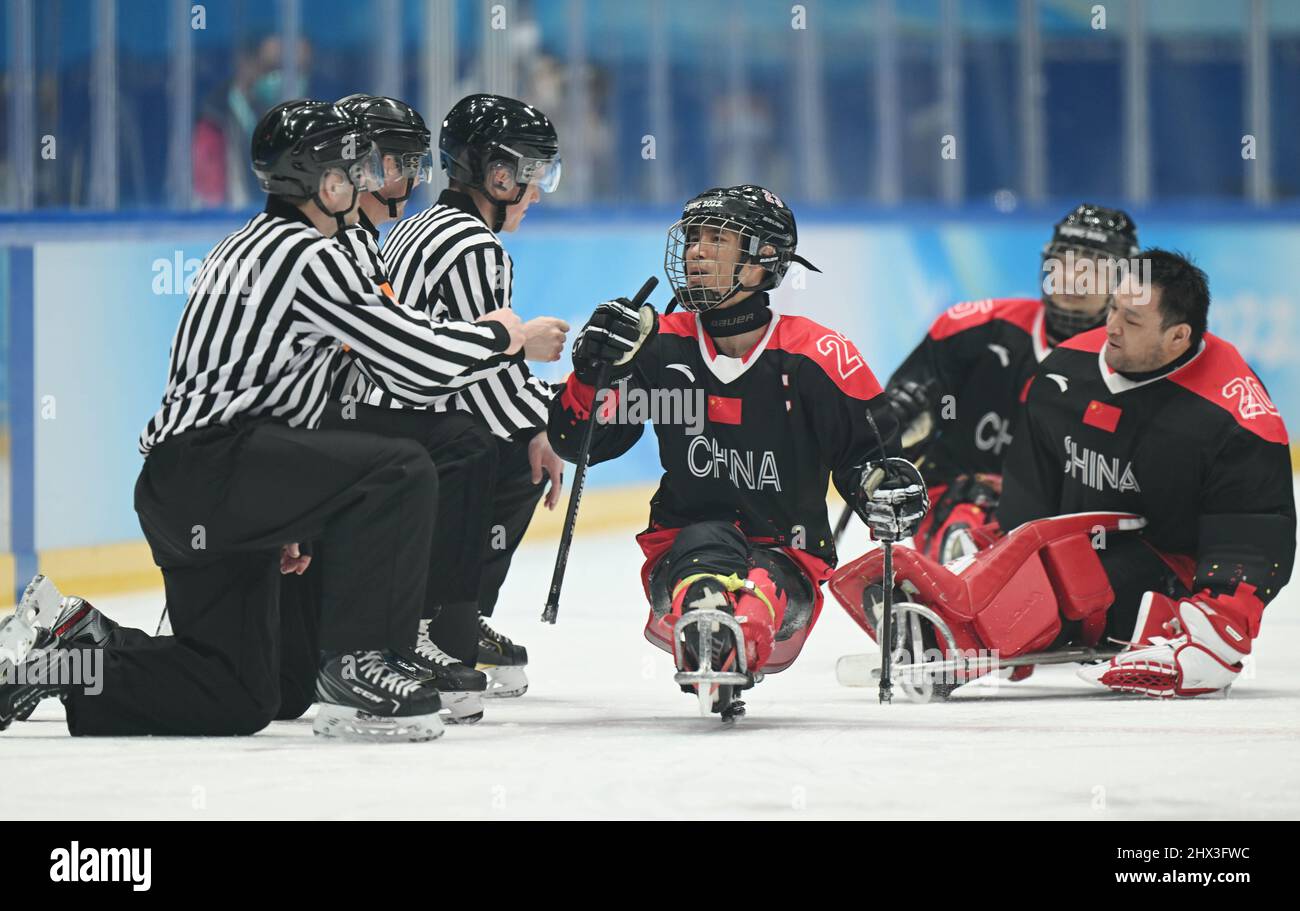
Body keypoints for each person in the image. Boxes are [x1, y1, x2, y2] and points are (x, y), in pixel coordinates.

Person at [0, 100, 526, 740]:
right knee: (403, 467)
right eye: (352, 169)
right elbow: (410, 362)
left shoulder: (241, 245)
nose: (365, 182)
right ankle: (364, 662)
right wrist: (502, 338)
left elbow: (260, 389)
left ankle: (75, 656)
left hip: (186, 488)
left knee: (251, 692)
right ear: (325, 182)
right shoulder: (312, 256)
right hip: (218, 472)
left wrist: (284, 506)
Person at [833, 250, 1294, 699]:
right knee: (1027, 569)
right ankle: (957, 619)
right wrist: (1000, 560)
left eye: (1132, 321)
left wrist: (1215, 630)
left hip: (1176, 564)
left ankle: (955, 638)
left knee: (1068, 586)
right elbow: (1029, 499)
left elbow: (1252, 528)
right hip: (1083, 540)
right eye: (1113, 308)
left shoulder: (1236, 416)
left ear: (1177, 337)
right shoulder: (1065, 370)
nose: (1111, 327)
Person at [546, 185, 928, 721]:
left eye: (717, 239)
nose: (696, 252)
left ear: (764, 258)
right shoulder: (657, 344)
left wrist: (885, 491)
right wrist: (591, 373)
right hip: (680, 546)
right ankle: (713, 615)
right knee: (706, 546)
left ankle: (729, 624)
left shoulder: (815, 354)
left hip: (789, 555)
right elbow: (580, 442)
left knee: (762, 576)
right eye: (693, 239)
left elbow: (868, 458)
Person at [365, 93, 571, 699]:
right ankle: (438, 623)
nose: (536, 195)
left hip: (382, 419)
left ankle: (451, 617)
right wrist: (549, 427)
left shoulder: (417, 227)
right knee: (505, 454)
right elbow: (479, 373)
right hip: (415, 428)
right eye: (532, 178)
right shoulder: (477, 247)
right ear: (499, 175)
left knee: (503, 442)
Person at [883, 204, 1139, 562]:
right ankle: (954, 593)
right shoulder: (972, 330)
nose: (1073, 279)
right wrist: (898, 422)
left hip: (1074, 524)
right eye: (1063, 263)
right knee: (971, 535)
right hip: (960, 502)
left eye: (1093, 269)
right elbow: (891, 431)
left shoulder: (1140, 363)